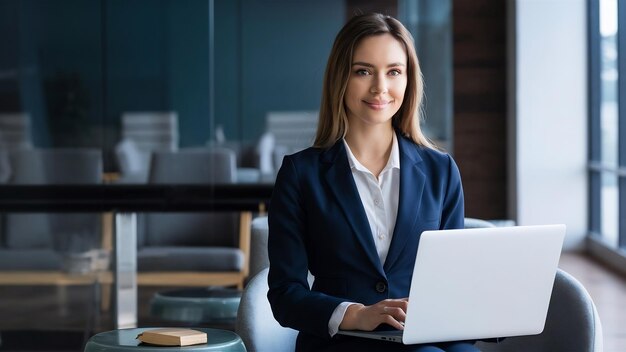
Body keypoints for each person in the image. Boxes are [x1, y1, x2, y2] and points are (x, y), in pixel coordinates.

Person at [267, 13, 479, 352]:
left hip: (424, 336)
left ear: (408, 81)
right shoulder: (300, 174)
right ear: (341, 78)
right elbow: (285, 294)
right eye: (363, 71)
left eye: (394, 72)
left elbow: (451, 282)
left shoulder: (441, 170)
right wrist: (355, 314)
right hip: (342, 342)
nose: (380, 87)